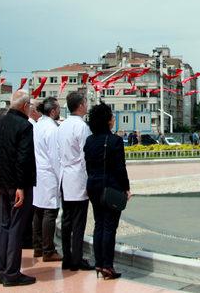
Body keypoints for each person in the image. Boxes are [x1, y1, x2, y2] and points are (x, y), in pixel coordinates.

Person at [0, 90, 37, 287]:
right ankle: (12, 273)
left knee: (4, 226)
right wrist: (20, 186)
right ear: (25, 106)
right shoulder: (24, 126)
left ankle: (2, 269)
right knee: (16, 227)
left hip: (2, 183)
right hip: (17, 184)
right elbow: (23, 158)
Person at [83, 102, 131, 280]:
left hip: (93, 186)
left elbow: (88, 165)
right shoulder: (115, 141)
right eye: (111, 116)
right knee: (110, 226)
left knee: (99, 224)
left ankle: (99, 262)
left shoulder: (89, 140)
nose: (113, 119)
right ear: (107, 121)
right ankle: (107, 265)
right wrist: (126, 188)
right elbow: (120, 168)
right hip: (110, 187)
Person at [58, 92, 93, 271]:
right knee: (78, 221)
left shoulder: (62, 125)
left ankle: (67, 256)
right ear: (80, 105)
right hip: (77, 176)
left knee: (66, 220)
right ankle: (77, 258)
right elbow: (85, 155)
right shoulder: (81, 127)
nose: (86, 105)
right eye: (85, 103)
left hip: (65, 175)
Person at [32, 97, 63, 262]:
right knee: (50, 212)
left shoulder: (38, 125)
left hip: (39, 171)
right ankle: (48, 250)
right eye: (58, 109)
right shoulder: (52, 128)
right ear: (53, 111)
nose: (59, 112)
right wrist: (61, 177)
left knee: (38, 210)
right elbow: (55, 156)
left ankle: (38, 246)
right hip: (49, 173)